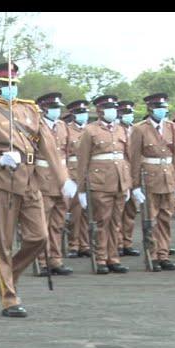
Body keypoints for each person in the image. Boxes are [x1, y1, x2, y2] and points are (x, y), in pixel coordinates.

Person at [0, 62, 76, 317]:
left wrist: (63, 179)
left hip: (31, 180)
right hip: (3, 182)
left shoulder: (30, 110)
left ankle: (9, 273)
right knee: (4, 242)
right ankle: (9, 297)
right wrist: (0, 160)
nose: (12, 89)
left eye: (14, 84)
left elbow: (50, 148)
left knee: (38, 237)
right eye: (6, 85)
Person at [76, 95, 131, 274]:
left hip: (120, 182)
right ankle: (100, 258)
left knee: (116, 223)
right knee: (102, 222)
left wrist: (128, 183)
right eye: (108, 108)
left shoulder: (121, 129)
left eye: (114, 108)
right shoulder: (90, 131)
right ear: (99, 111)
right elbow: (82, 161)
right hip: (100, 183)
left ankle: (113, 258)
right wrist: (81, 189)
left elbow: (127, 158)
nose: (112, 111)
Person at [129, 93, 175, 271]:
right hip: (149, 178)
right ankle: (152, 255)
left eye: (164, 107)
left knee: (165, 218)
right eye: (158, 107)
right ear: (150, 108)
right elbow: (134, 157)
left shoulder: (171, 126)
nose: (162, 110)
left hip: (168, 177)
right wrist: (134, 185)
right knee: (150, 219)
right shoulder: (140, 128)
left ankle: (163, 254)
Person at [33, 92, 73, 276]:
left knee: (57, 223)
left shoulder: (63, 126)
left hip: (62, 180)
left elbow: (67, 152)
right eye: (54, 107)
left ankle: (55, 259)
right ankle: (42, 260)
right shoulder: (34, 126)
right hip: (43, 179)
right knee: (42, 223)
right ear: (44, 108)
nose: (57, 111)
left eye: (58, 107)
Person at [64, 100, 91, 258]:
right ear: (73, 114)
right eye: (79, 112)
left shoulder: (91, 130)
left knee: (89, 211)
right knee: (76, 212)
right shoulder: (67, 131)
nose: (83, 115)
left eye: (84, 111)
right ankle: (74, 244)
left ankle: (85, 244)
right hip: (73, 174)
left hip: (91, 173)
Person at [116, 101, 140, 257]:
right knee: (118, 211)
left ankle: (127, 242)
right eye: (125, 112)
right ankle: (117, 243)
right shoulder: (117, 130)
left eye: (130, 112)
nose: (129, 115)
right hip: (119, 174)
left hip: (134, 174)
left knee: (130, 211)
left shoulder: (135, 130)